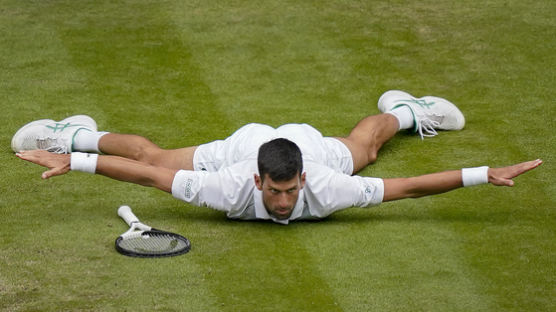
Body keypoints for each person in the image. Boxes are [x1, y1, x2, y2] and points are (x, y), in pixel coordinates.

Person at [13, 90, 542, 224]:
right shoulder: (229, 182)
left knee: (369, 145)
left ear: (304, 180)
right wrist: (77, 164)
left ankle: (406, 110)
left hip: (307, 145)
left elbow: (406, 187)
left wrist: (481, 175)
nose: (285, 201)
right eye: (276, 190)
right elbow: (148, 174)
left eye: (291, 191)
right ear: (259, 181)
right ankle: (76, 136)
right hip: (245, 144)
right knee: (156, 153)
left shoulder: (328, 186)